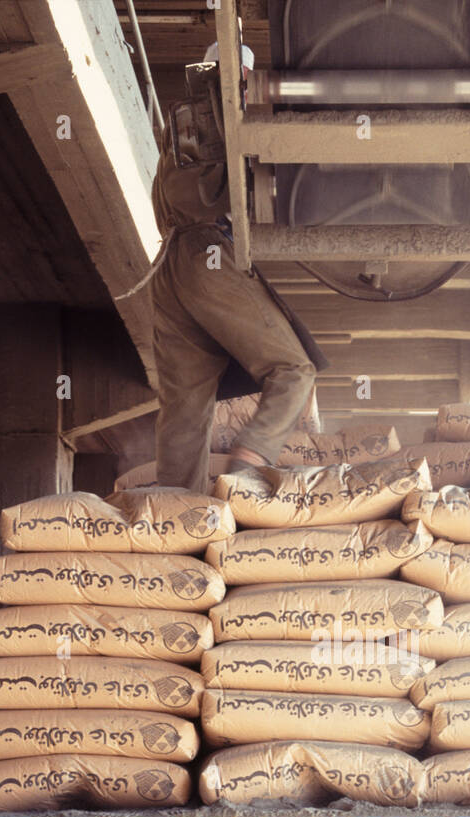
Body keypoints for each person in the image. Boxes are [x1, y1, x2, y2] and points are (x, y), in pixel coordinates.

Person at [146, 43, 322, 493]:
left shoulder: (179, 128)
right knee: (293, 369)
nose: (248, 88)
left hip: (168, 267)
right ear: (239, 76)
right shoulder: (222, 114)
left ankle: (177, 513)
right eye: (246, 79)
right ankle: (246, 468)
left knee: (185, 408)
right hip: (205, 255)